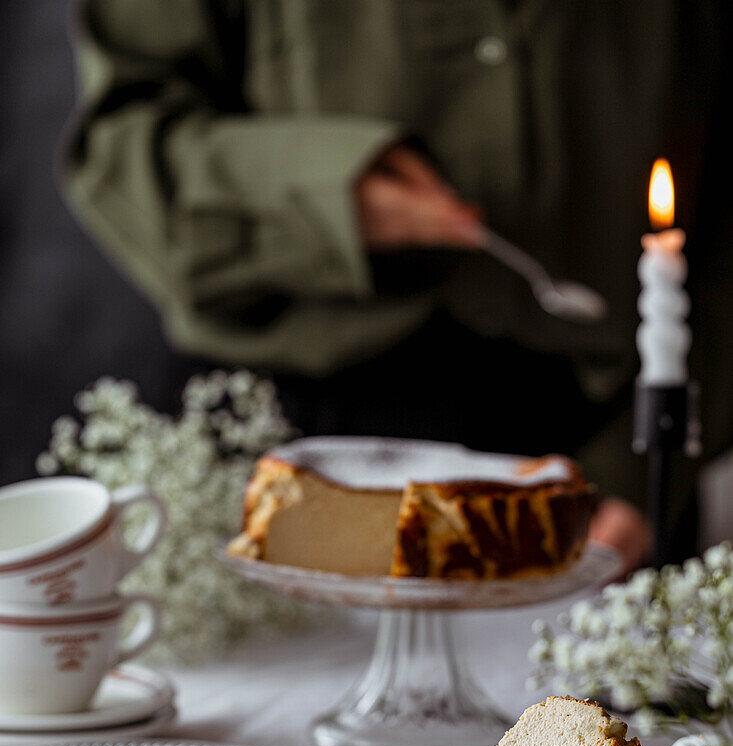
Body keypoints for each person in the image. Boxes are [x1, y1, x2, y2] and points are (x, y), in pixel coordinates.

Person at [62, 1, 732, 569]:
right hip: (282, 438)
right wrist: (325, 194)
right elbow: (118, 147)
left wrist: (639, 474)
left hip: (602, 448)